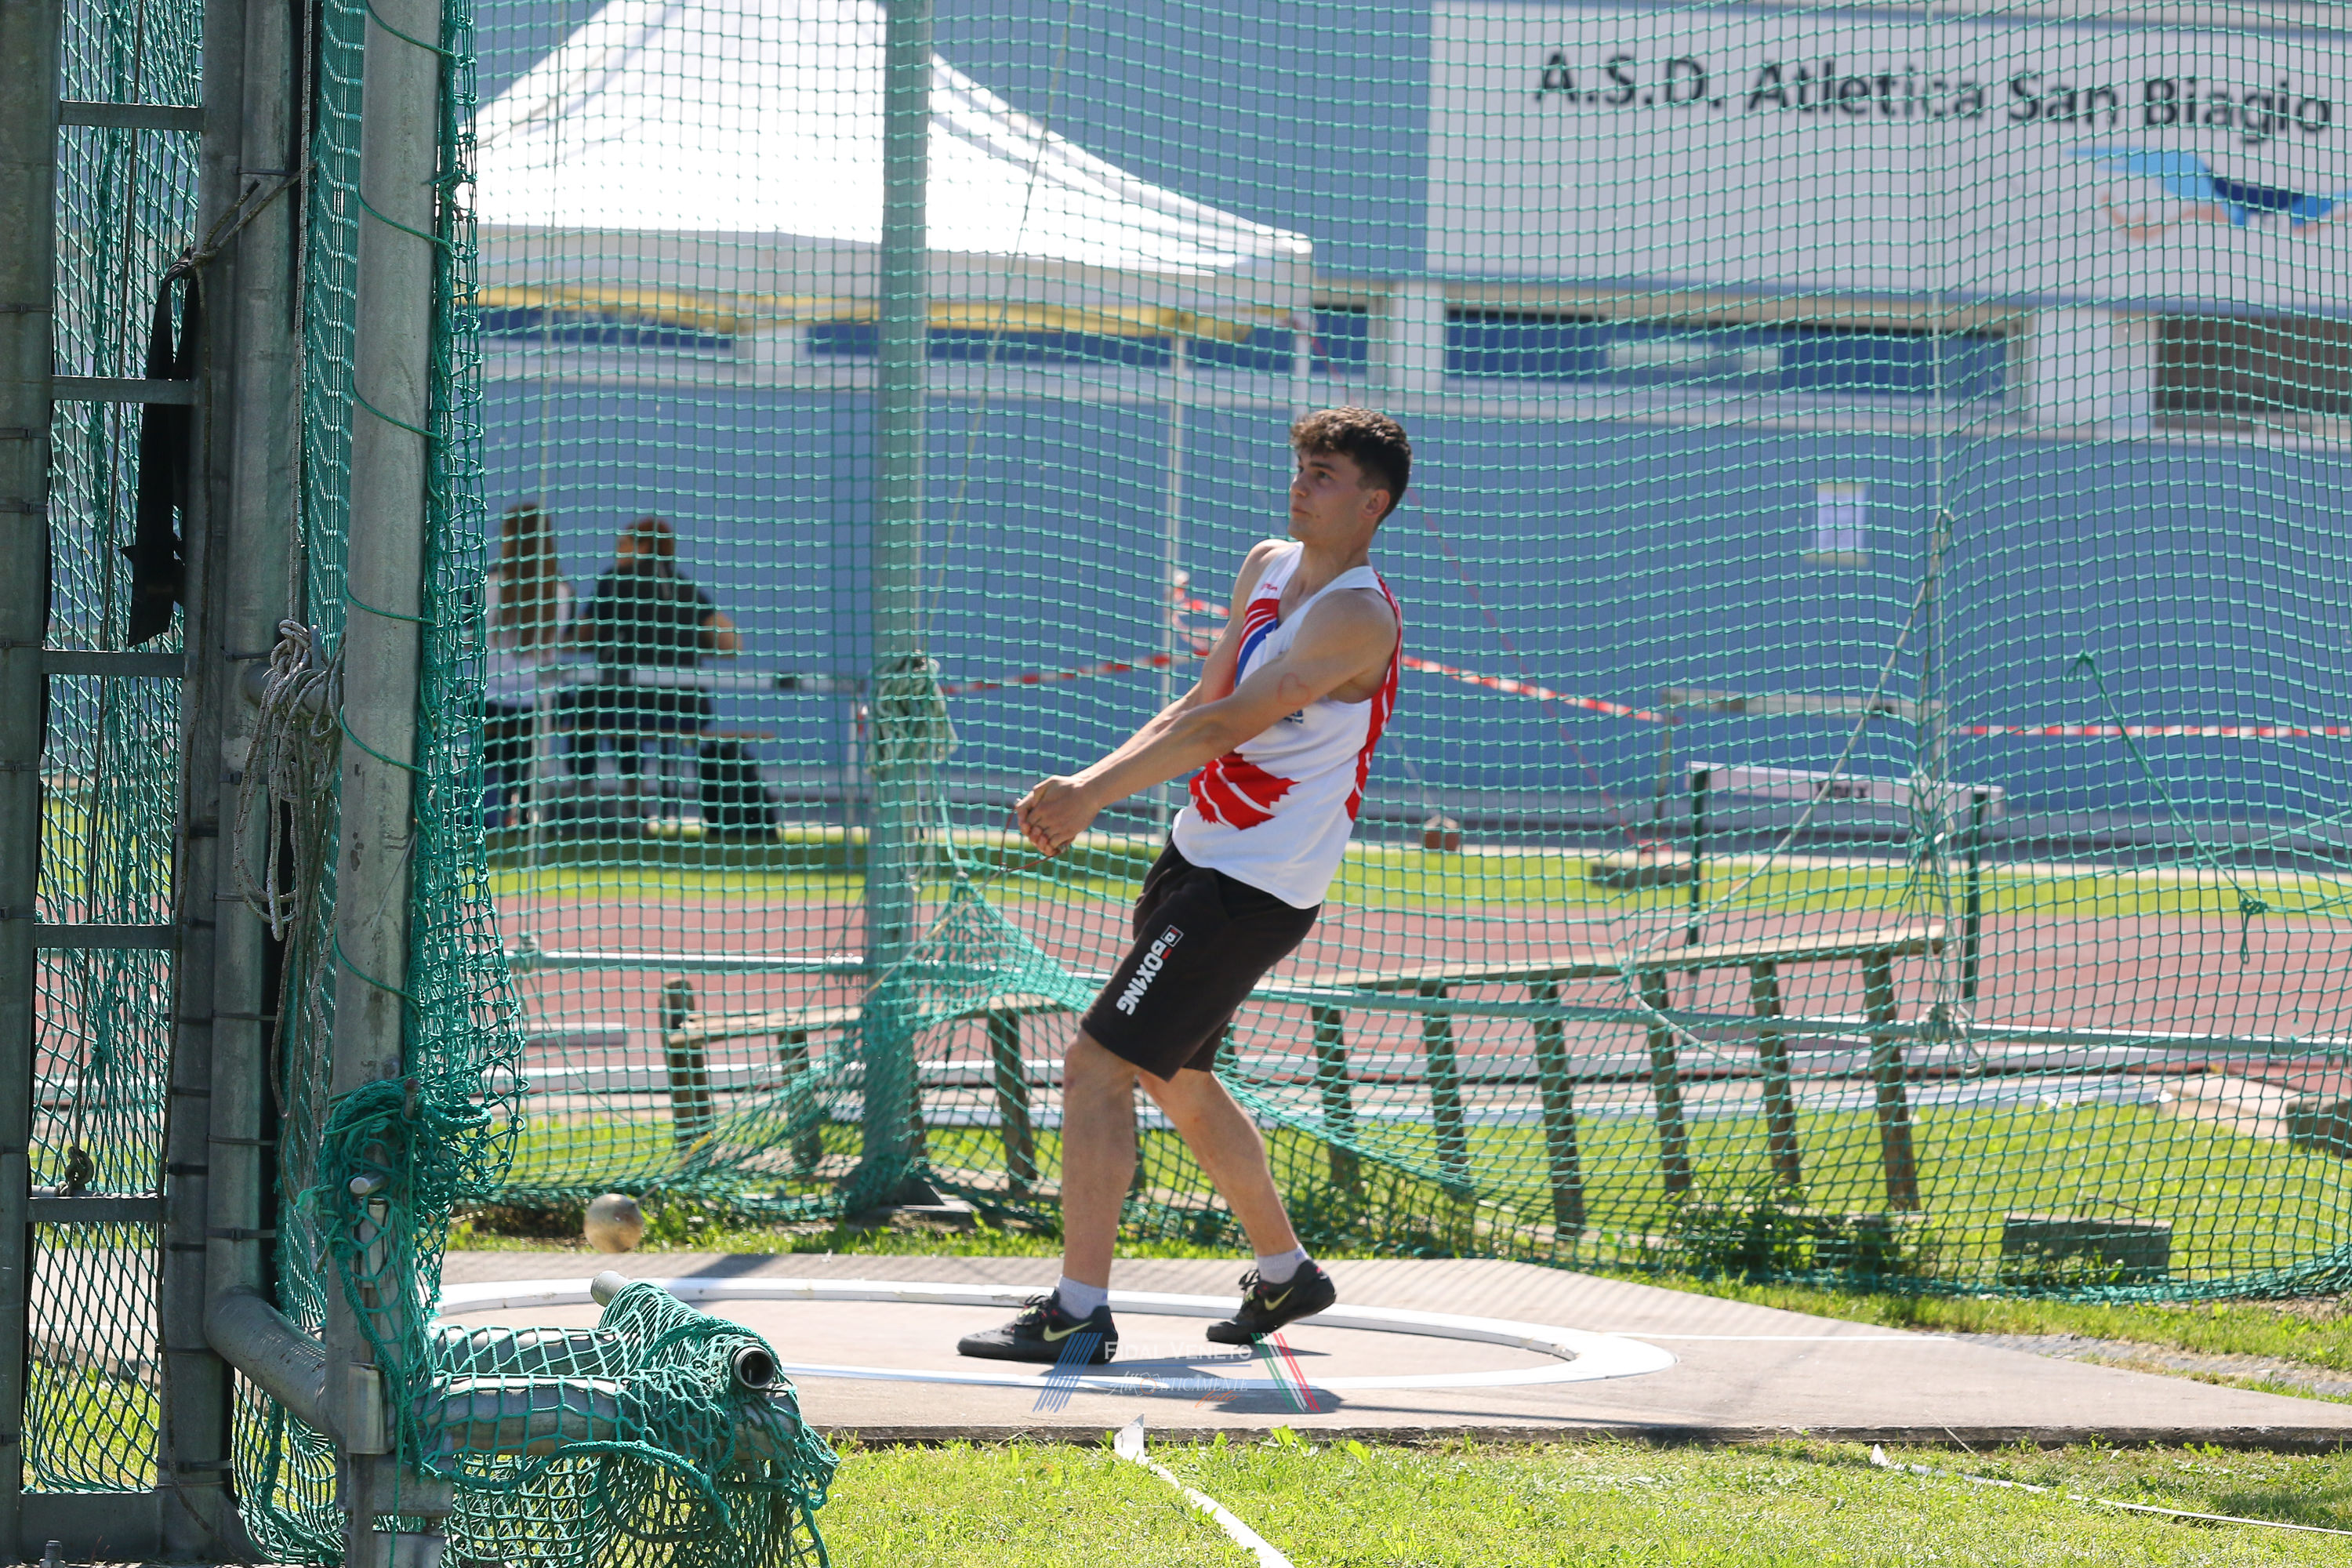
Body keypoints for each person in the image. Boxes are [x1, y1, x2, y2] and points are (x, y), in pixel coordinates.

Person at [958, 407, 1410, 1365]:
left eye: (1324, 474)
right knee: (1178, 1075)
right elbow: (1199, 703)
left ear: (1373, 504)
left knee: (1095, 1066)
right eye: (1300, 466)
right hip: (1196, 855)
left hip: (1254, 889)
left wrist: (1088, 798)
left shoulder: (1358, 614)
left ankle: (1078, 1309)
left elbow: (1225, 728)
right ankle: (1287, 1272)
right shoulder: (1268, 565)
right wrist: (1089, 781)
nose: (1300, 483)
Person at [564, 516, 741, 793]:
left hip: (627, 708)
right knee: (619, 699)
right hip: (687, 710)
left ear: (643, 547)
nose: (617, 551)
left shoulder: (614, 583)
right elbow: (731, 644)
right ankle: (632, 795)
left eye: (622, 544)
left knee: (589, 705)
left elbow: (581, 637)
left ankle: (585, 788)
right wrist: (684, 640)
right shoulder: (684, 587)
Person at [482, 503, 573, 826]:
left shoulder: (488, 584)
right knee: (525, 757)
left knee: (493, 757)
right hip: (539, 700)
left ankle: (493, 813)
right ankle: (521, 812)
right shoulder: (561, 590)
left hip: (491, 698)